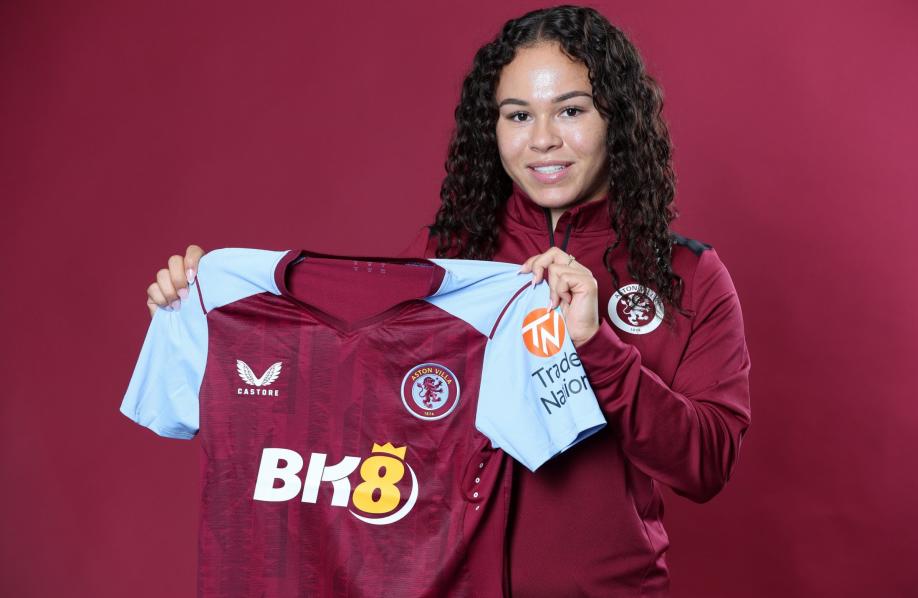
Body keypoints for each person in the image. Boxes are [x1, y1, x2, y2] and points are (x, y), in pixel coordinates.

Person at [144, 5, 751, 596]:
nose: (542, 139)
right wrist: (224, 319)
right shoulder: (449, 261)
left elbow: (706, 463)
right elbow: (357, 403)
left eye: (570, 110)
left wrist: (598, 348)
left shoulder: (686, 275)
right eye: (517, 116)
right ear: (492, 130)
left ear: (618, 118)